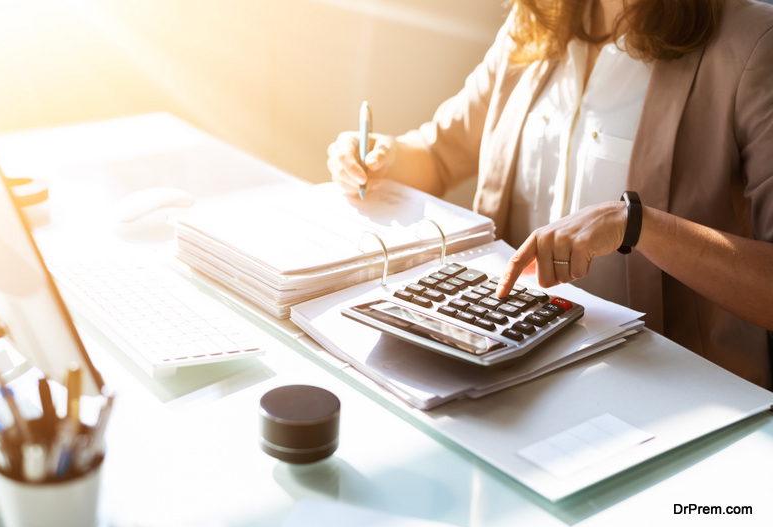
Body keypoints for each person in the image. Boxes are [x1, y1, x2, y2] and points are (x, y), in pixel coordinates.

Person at [327, 0, 773, 389]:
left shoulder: (753, 42)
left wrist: (636, 223)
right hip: (507, 361)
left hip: (665, 390)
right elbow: (441, 155)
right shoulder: (537, 21)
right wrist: (378, 156)